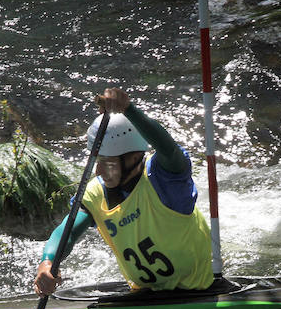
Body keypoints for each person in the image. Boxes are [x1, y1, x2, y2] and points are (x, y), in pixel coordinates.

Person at [34, 88, 214, 296]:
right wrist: (47, 262)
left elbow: (167, 148)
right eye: (97, 161)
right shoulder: (95, 194)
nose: (99, 171)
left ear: (133, 158)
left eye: (108, 163)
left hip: (197, 291)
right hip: (145, 294)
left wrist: (128, 109)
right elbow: (67, 231)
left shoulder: (164, 179)